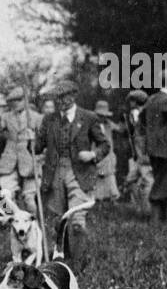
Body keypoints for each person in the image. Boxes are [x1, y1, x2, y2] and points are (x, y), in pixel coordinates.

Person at [34, 78, 111, 269]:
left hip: (80, 174)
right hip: (55, 175)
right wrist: (31, 138)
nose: (59, 101)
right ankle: (64, 260)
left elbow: (105, 144)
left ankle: (77, 265)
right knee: (60, 220)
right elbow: (37, 147)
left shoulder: (89, 117)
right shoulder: (49, 119)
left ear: (72, 97)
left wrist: (93, 154)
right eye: (57, 98)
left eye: (63, 97)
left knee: (77, 219)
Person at [141, 73, 167, 222]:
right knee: (164, 182)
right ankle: (158, 221)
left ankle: (164, 220)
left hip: (152, 148)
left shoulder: (150, 100)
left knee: (161, 179)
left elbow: (141, 119)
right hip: (166, 147)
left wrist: (152, 134)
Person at [0, 86, 42, 211]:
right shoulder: (5, 117)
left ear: (25, 100)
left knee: (29, 199)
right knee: (5, 198)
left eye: (19, 101)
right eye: (13, 102)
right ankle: (11, 223)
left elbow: (42, 143)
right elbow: (0, 139)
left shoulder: (37, 117)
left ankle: (33, 226)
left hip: (30, 161)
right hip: (9, 160)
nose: (15, 104)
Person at [123, 90, 153, 216]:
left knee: (147, 180)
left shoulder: (141, 114)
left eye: (132, 101)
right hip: (138, 154)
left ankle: (146, 210)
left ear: (135, 102)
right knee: (130, 180)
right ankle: (139, 207)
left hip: (143, 154)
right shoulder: (134, 114)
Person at [91, 99, 121, 202]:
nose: (102, 117)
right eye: (100, 115)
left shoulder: (108, 124)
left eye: (104, 115)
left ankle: (113, 198)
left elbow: (119, 129)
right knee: (97, 179)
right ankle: (97, 200)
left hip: (109, 156)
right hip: (98, 155)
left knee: (110, 178)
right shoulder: (92, 125)